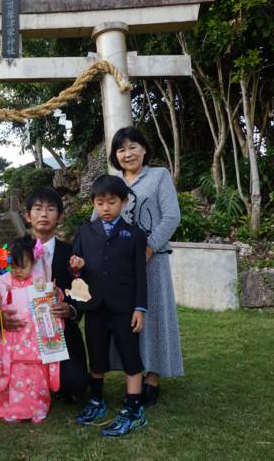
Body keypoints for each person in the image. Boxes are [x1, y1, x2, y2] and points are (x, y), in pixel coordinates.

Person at [108, 126, 184, 406]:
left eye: (133, 147)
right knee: (127, 320)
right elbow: (98, 218)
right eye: (121, 149)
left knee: (154, 318)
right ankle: (133, 375)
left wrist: (148, 247)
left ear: (144, 149)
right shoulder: (112, 182)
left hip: (153, 261)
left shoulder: (159, 176)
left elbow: (171, 216)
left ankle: (153, 377)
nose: (127, 154)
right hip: (120, 266)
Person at [70, 175, 148, 437]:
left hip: (125, 308)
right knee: (97, 354)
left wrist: (140, 308)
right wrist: (77, 268)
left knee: (130, 354)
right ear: (93, 203)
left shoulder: (135, 234)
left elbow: (140, 274)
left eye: (112, 202)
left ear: (123, 203)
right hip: (94, 308)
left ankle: (134, 408)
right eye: (100, 202)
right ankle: (96, 401)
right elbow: (75, 270)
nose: (105, 208)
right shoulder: (84, 232)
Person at [20, 187, 89, 400]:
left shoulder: (72, 253)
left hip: (60, 330)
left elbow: (81, 292)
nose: (43, 214)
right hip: (23, 332)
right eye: (38, 209)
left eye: (50, 209)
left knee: (74, 385)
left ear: (59, 216)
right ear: (27, 216)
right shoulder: (14, 252)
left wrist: (70, 309)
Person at [0, 235, 60, 423]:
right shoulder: (3, 280)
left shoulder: (39, 281)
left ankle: (37, 407)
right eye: (14, 266)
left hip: (34, 334)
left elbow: (51, 303)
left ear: (33, 262)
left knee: (35, 372)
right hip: (13, 334)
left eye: (24, 266)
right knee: (13, 372)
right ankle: (13, 408)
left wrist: (54, 293)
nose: (18, 271)